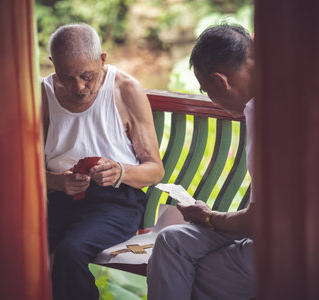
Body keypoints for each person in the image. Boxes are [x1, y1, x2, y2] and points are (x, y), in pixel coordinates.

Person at [42, 23, 164, 300]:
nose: (79, 87)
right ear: (53, 64)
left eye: (87, 75)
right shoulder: (44, 94)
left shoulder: (125, 89)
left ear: (103, 59)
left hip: (116, 201)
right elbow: (26, 169)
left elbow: (155, 169)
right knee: (15, 247)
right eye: (67, 77)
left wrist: (121, 171)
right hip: (60, 198)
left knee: (70, 252)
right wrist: (56, 181)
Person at [147, 23, 256, 300]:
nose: (210, 98)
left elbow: (259, 222)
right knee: (172, 241)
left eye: (206, 90)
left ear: (221, 81)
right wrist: (209, 218)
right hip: (265, 228)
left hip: (294, 245)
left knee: (187, 272)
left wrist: (207, 217)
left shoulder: (269, 114)